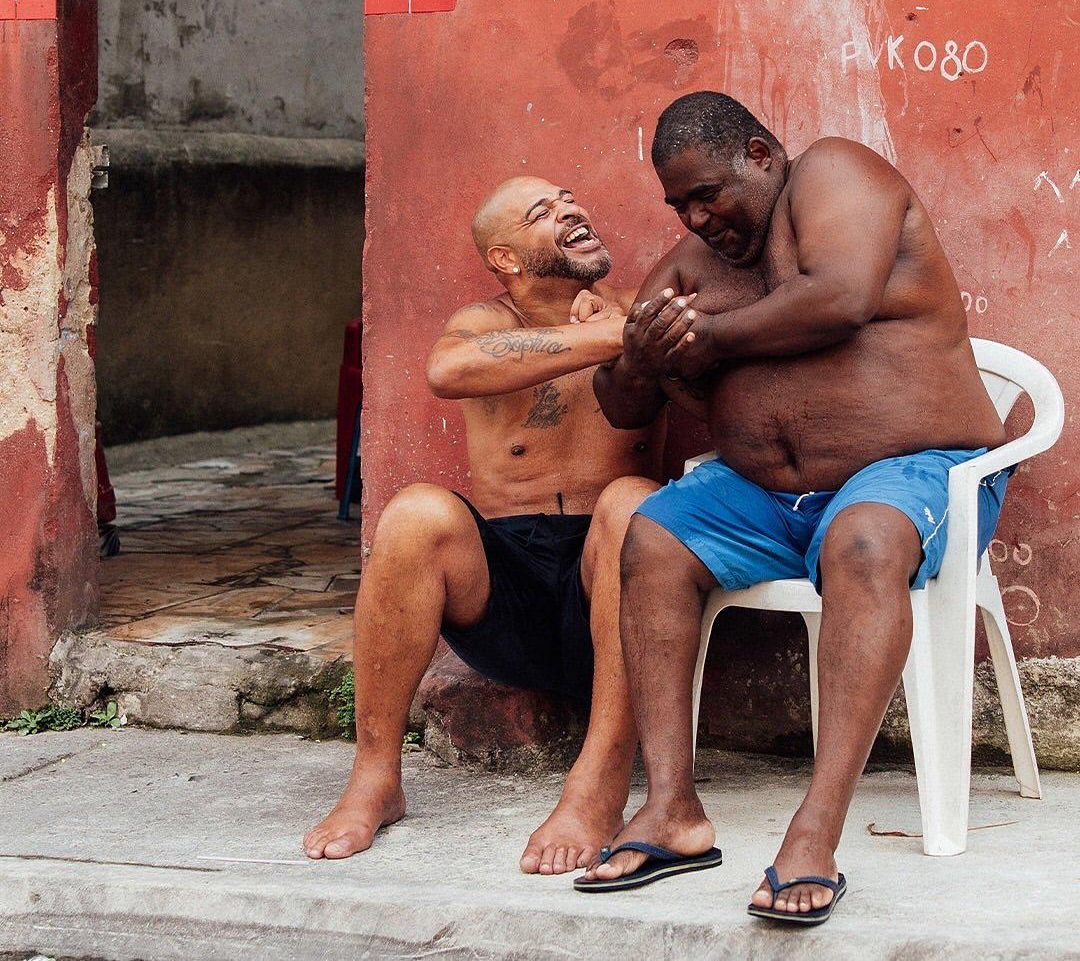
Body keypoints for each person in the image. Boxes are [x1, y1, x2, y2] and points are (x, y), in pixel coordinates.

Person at [585, 92, 1008, 923]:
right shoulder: (689, 269)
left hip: (917, 472)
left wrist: (708, 339)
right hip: (765, 496)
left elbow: (840, 297)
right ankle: (671, 811)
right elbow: (623, 405)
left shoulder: (835, 173)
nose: (697, 217)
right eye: (679, 205)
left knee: (864, 540)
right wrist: (639, 359)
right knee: (652, 538)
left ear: (759, 154)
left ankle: (815, 832)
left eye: (708, 193)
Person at [304, 176, 661, 873]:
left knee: (632, 501)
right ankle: (375, 778)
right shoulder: (484, 323)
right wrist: (604, 339)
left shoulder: (639, 310)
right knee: (414, 513)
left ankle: (599, 783)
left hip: (617, 584)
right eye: (542, 212)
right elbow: (447, 370)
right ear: (506, 259)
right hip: (508, 591)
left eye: (568, 199)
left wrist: (630, 331)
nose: (570, 209)